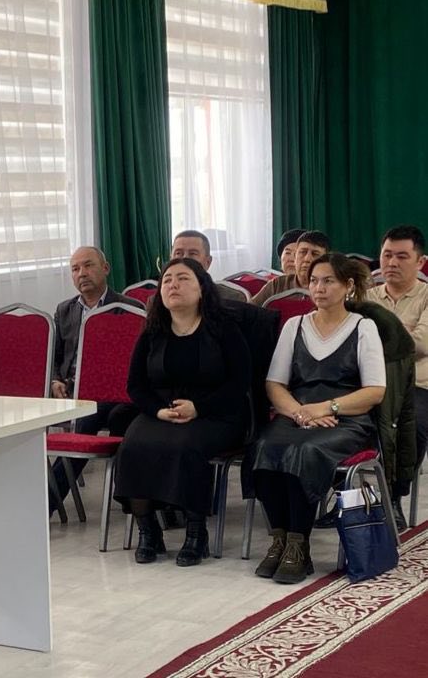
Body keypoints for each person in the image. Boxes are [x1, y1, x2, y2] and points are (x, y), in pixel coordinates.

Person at [250, 254, 386, 584]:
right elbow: (274, 384)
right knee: (263, 446)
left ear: (348, 286)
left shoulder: (363, 327)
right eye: (313, 281)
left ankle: (299, 543)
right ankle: (280, 538)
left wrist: (326, 408)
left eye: (328, 281)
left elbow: (374, 392)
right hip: (296, 413)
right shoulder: (294, 326)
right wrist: (301, 413)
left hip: (347, 418)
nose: (319, 288)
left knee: (305, 451)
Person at [113, 258, 251, 566]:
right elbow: (135, 385)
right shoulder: (153, 330)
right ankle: (148, 531)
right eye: (167, 280)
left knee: (186, 446)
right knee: (132, 447)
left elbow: (240, 382)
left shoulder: (223, 328)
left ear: (202, 288)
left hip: (216, 411)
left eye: (183, 278)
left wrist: (199, 408)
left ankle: (196, 533)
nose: (173, 285)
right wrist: (158, 410)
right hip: (162, 411)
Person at [48, 246, 143, 505]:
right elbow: (54, 354)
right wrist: (55, 380)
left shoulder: (130, 309)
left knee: (88, 417)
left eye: (88, 265)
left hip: (112, 391)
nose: (82, 273)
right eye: (75, 269)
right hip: (70, 388)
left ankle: (46, 503)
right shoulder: (65, 310)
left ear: (105, 268)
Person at [370, 225, 428, 522]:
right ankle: (343, 496)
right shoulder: (366, 296)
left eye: (402, 256)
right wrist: (402, 331)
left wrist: (377, 334)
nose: (392, 263)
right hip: (367, 383)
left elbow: (420, 344)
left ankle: (393, 497)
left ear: (420, 261)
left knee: (411, 427)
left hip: (416, 385)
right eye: (387, 255)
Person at [251, 230, 331, 306]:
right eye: (303, 252)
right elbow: (249, 309)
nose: (307, 259)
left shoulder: (332, 289)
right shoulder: (278, 284)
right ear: (295, 258)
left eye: (315, 254)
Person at [171, 230, 247, 302]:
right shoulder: (165, 296)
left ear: (208, 262)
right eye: (178, 253)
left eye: (193, 253)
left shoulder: (230, 298)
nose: (185, 258)